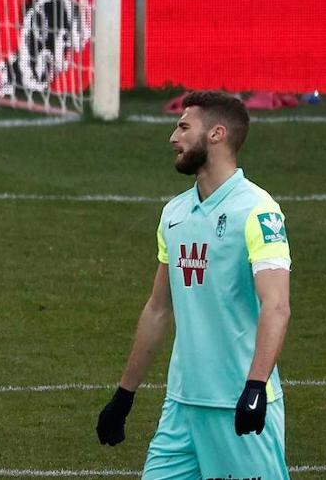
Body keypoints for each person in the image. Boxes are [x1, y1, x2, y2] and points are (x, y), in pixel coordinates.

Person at [96, 91, 292, 480]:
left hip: (236, 402)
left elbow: (276, 306)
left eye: (184, 127)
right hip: (182, 406)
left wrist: (255, 387)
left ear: (217, 134)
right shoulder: (174, 214)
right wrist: (125, 393)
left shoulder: (258, 211)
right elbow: (158, 309)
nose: (173, 137)